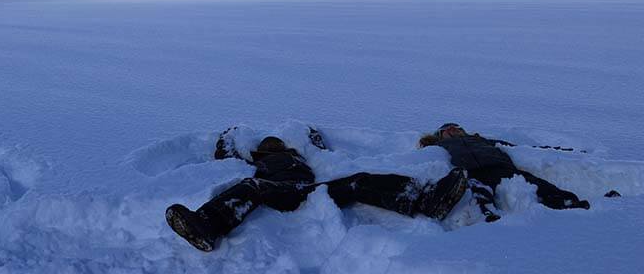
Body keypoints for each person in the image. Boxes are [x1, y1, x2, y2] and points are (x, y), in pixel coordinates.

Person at [165, 127, 469, 252]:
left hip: (313, 191)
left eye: (277, 143)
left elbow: (321, 151)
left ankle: (426, 200)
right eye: (270, 145)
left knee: (358, 180)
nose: (274, 145)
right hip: (278, 191)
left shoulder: (298, 155)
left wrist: (312, 135)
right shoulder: (257, 162)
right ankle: (208, 225)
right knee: (250, 185)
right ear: (261, 150)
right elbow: (226, 159)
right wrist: (227, 138)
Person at [419, 123, 589, 222]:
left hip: (499, 167)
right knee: (477, 192)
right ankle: (486, 216)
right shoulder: (437, 148)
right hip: (470, 172)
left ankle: (567, 202)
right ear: (440, 135)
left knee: (534, 184)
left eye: (457, 127)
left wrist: (565, 151)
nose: (454, 129)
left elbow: (524, 149)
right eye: (448, 129)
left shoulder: (481, 140)